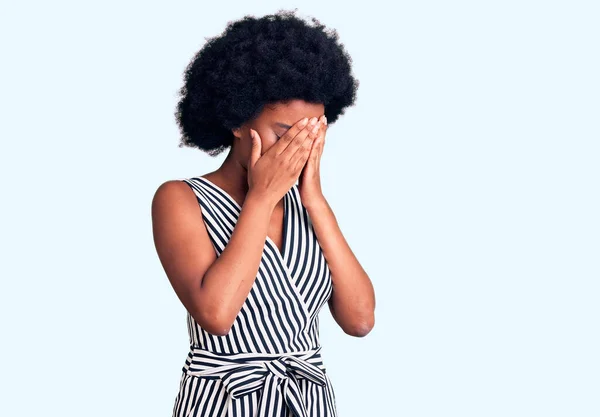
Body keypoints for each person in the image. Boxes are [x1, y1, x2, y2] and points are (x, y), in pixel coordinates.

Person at [151, 9, 376, 417]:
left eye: (312, 135)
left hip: (308, 402)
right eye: (285, 135)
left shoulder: (308, 209)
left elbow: (360, 320)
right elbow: (216, 314)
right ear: (238, 120)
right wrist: (260, 198)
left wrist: (316, 202)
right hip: (223, 403)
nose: (297, 151)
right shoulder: (179, 199)